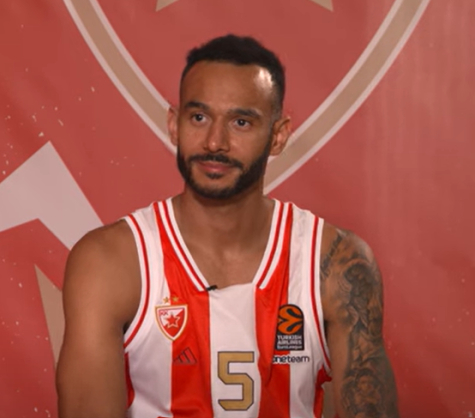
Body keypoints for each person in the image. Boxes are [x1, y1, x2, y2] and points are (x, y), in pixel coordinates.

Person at [56, 34, 400, 418]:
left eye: (240, 122)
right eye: (199, 118)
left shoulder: (336, 262)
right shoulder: (110, 261)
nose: (214, 142)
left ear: (278, 136)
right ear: (174, 124)